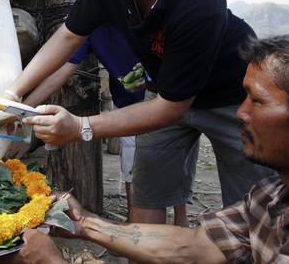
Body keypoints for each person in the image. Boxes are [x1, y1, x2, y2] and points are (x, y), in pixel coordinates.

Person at [2, 0, 275, 227]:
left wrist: (81, 126)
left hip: (230, 99)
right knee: (146, 198)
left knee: (251, 208)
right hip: (163, 93)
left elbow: (172, 109)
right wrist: (13, 95)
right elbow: (68, 36)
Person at [0, 34, 289, 264]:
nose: (240, 112)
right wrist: (85, 223)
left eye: (258, 101)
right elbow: (197, 245)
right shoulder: (268, 198)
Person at [21, 22, 196, 226]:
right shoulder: (89, 24)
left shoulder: (144, 11)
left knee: (178, 163)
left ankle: (181, 221)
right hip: (128, 110)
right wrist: (23, 107)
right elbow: (63, 70)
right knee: (132, 168)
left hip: (168, 100)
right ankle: (135, 226)